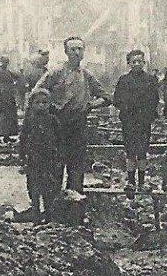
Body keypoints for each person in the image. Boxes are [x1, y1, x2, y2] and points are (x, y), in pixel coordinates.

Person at [33, 36, 114, 201]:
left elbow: (106, 97)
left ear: (84, 52)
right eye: (73, 49)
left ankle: (73, 207)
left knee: (76, 166)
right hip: (57, 124)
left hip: (78, 125)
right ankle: (52, 205)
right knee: (55, 165)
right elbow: (37, 92)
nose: (77, 53)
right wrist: (49, 107)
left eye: (80, 49)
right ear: (66, 52)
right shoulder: (55, 72)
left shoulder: (86, 76)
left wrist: (91, 105)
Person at [113, 49, 160, 193]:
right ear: (129, 64)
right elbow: (117, 99)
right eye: (134, 62)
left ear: (144, 63)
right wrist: (126, 108)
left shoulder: (150, 80)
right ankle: (131, 182)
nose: (137, 64)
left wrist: (148, 113)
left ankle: (141, 182)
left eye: (140, 61)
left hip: (143, 121)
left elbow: (155, 99)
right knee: (130, 152)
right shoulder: (123, 80)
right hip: (129, 121)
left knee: (142, 151)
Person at [18, 88, 61, 222]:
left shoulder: (53, 120)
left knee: (49, 188)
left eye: (45, 102)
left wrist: (59, 158)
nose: (41, 105)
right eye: (38, 102)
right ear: (31, 104)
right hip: (34, 159)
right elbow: (23, 139)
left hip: (49, 159)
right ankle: (36, 214)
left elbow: (60, 140)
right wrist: (22, 157)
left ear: (50, 104)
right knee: (33, 187)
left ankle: (49, 215)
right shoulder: (29, 121)